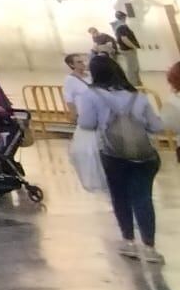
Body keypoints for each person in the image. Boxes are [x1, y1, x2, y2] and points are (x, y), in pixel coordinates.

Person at [89, 54, 163, 261]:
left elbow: (86, 122)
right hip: (144, 154)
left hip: (114, 154)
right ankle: (150, 247)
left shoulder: (92, 95)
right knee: (143, 198)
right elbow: (156, 126)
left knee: (120, 196)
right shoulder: (138, 96)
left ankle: (128, 241)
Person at [63, 52, 106, 195]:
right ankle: (93, 175)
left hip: (98, 114)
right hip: (84, 115)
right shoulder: (70, 80)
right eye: (79, 62)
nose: (83, 64)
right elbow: (69, 98)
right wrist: (73, 114)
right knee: (88, 146)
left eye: (83, 61)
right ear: (72, 65)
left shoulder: (90, 76)